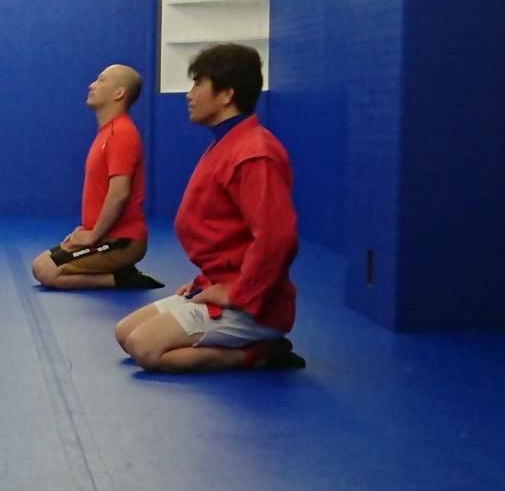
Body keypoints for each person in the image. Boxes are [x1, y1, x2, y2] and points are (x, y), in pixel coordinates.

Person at [114, 44, 305, 372]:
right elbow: (229, 235)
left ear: (227, 95)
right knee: (125, 333)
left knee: (145, 349)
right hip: (218, 286)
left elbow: (276, 238)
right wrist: (209, 281)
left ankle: (261, 351)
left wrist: (237, 294)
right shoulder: (227, 144)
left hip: (254, 305)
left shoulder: (254, 153)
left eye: (198, 84)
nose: (189, 95)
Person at [31, 64, 161, 290]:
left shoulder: (121, 133)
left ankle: (121, 279)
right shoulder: (106, 132)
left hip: (122, 241)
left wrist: (93, 235)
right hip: (102, 236)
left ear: (119, 93)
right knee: (40, 265)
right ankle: (118, 271)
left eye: (101, 80)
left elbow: (119, 193)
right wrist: (86, 230)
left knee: (46, 271)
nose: (92, 85)